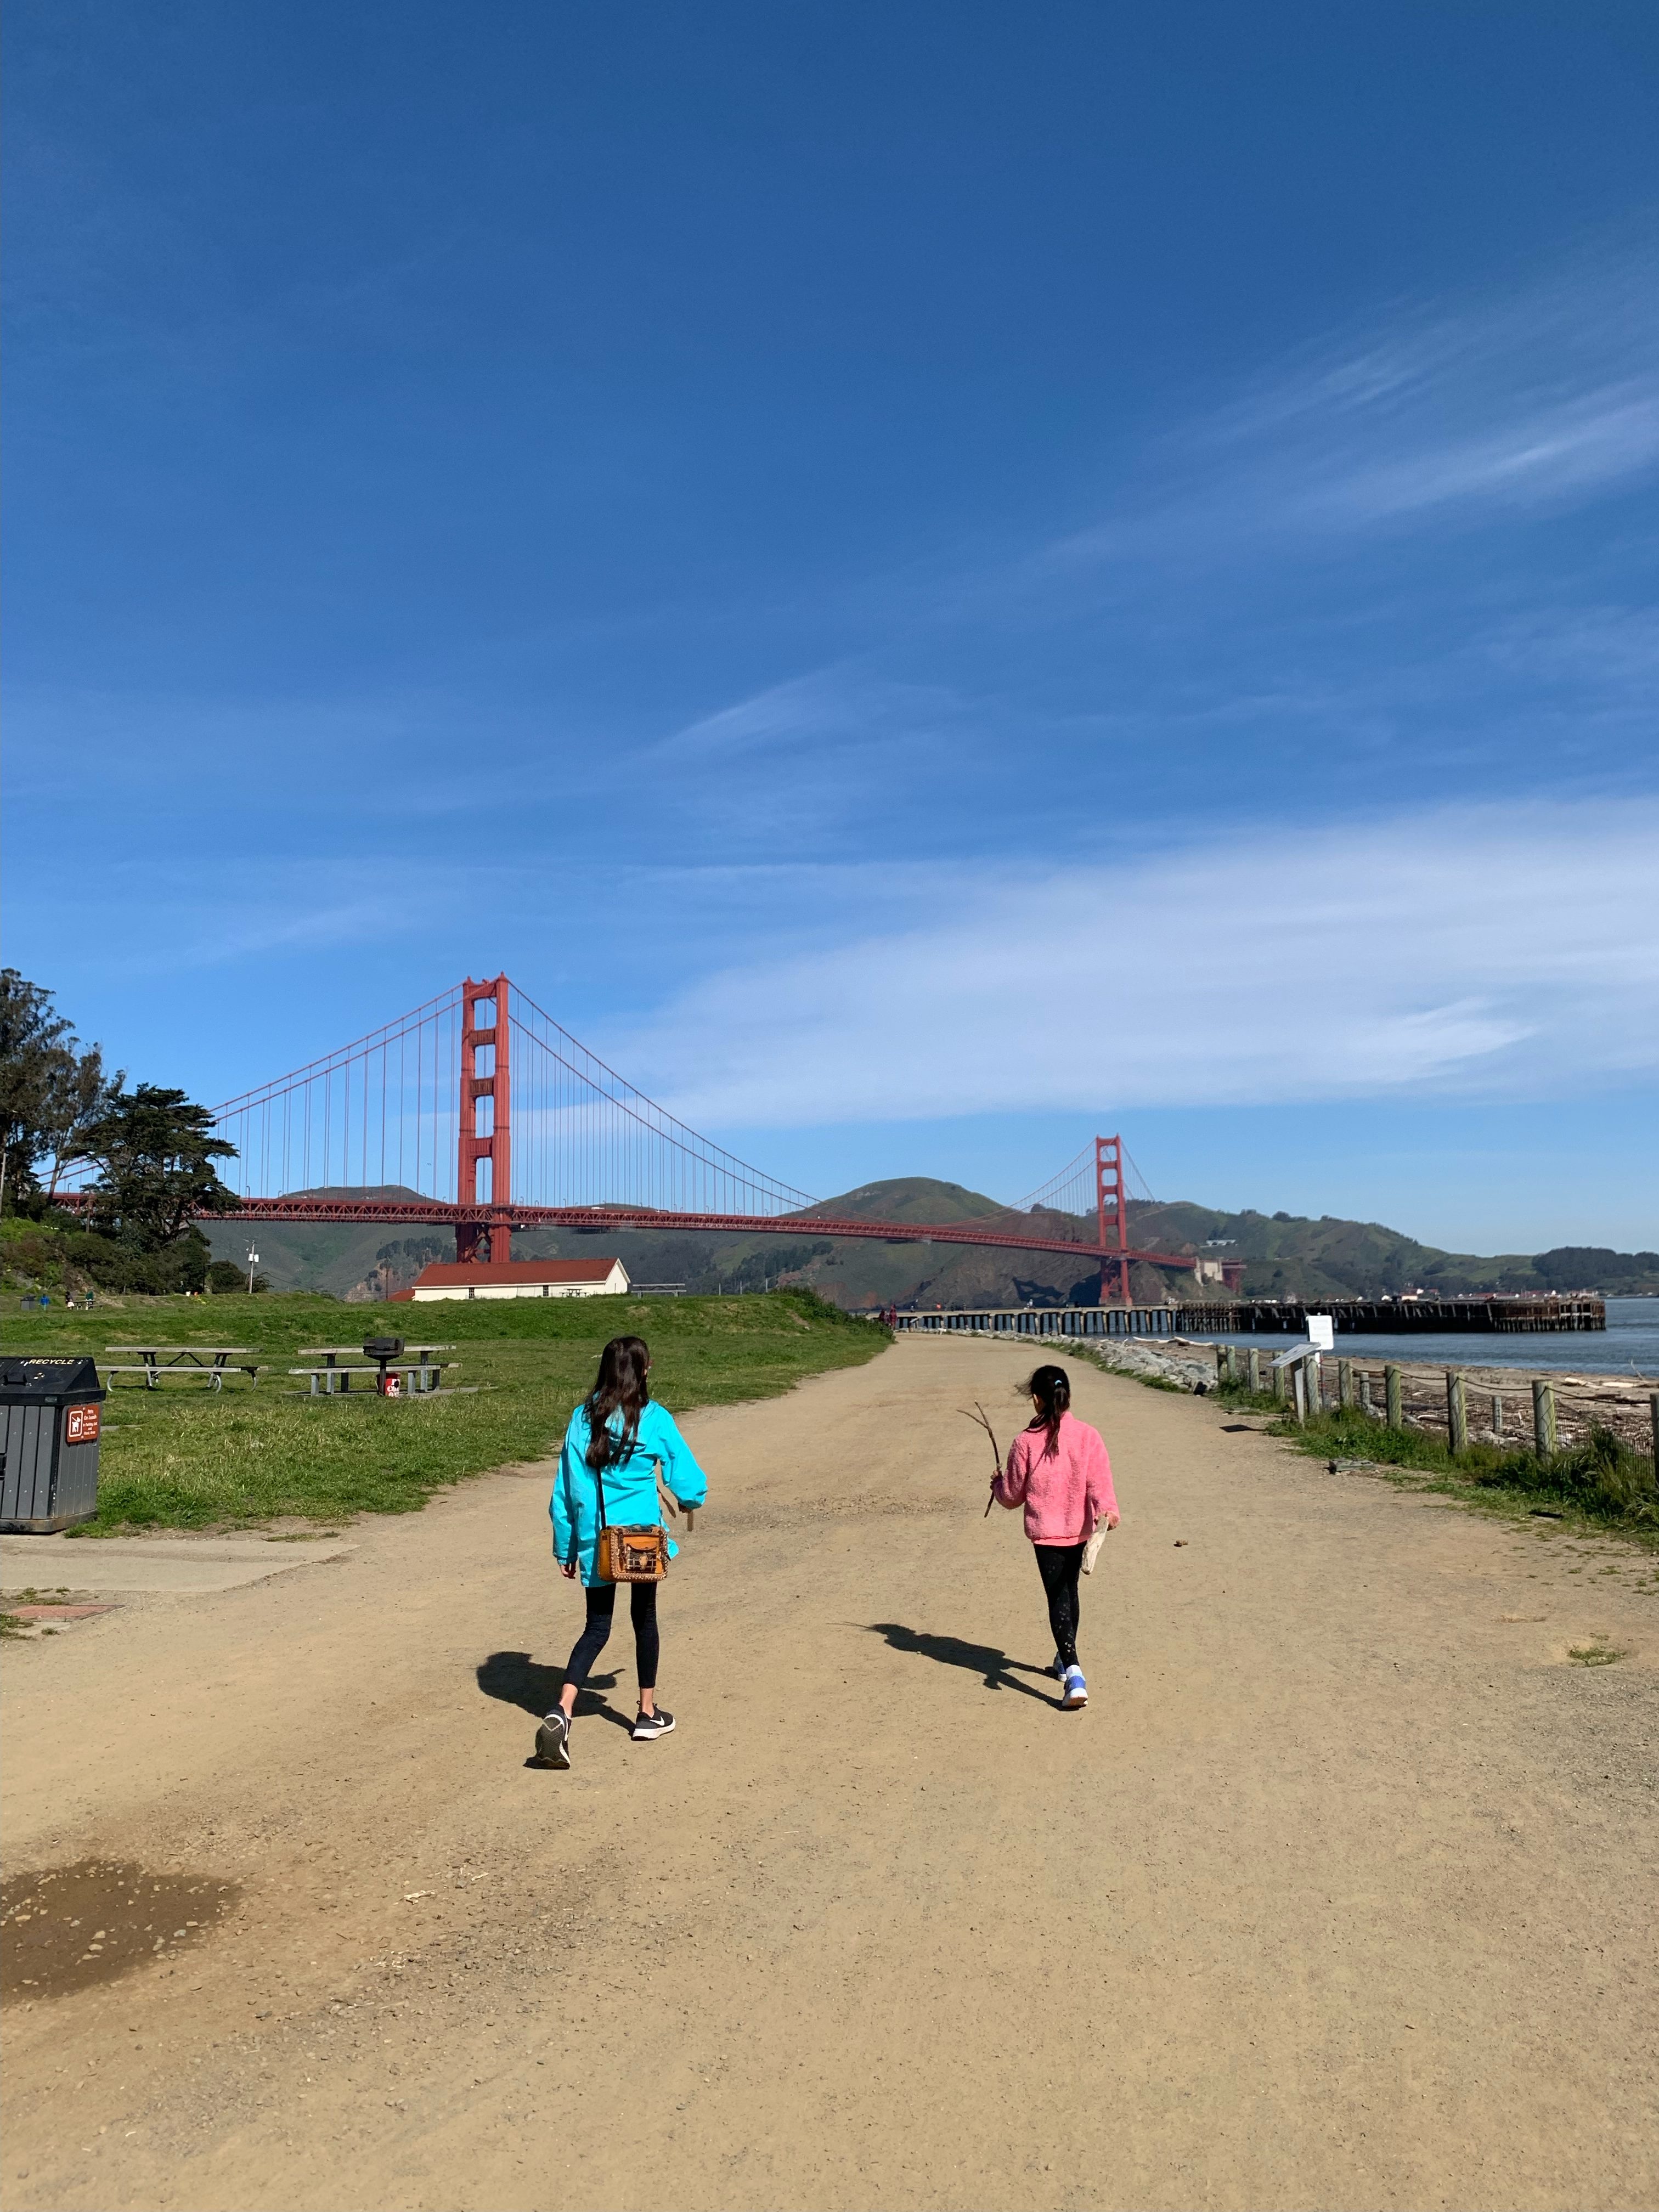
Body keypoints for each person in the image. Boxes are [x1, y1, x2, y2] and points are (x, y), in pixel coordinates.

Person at [539, 1334, 708, 1768]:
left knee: (597, 1628)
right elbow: (688, 1481)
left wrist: (567, 1546)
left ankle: (563, 1709)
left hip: (598, 1541)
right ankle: (647, 1714)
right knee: (644, 1621)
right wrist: (691, 1500)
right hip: (641, 1542)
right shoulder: (654, 1419)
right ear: (645, 1369)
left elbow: (566, 1490)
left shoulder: (581, 1420)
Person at [991, 1363, 1118, 1711]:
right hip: (1080, 1529)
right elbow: (1099, 1482)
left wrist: (997, 1486)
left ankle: (1075, 1675)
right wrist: (1107, 1510)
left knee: (1057, 1598)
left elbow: (1013, 1496)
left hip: (1047, 1533)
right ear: (1068, 1396)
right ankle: (1065, 1660)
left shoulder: (1025, 1442)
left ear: (1036, 1399)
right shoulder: (1089, 1435)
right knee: (1069, 1592)